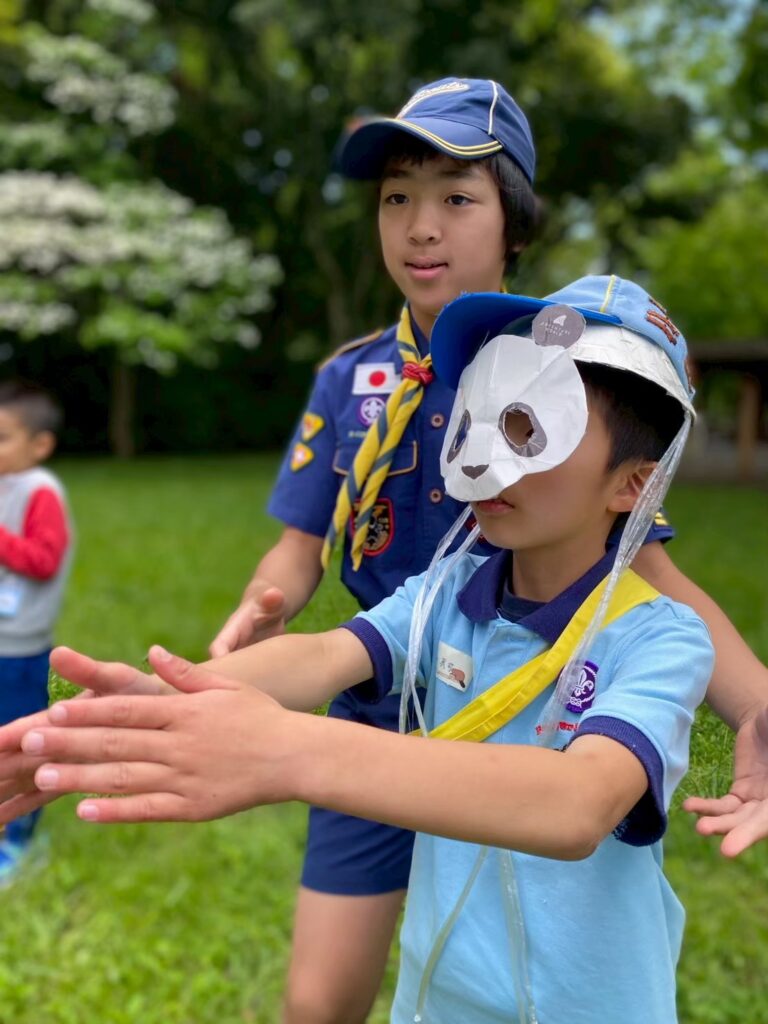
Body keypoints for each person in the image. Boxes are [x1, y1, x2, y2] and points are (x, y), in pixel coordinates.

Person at [207, 77, 768, 1024]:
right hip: (372, 697)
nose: (420, 227)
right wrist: (261, 613)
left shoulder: (579, 370)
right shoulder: (350, 378)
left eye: (456, 197)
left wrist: (760, 707)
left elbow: (649, 575)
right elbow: (298, 546)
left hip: (520, 718)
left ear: (515, 222)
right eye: (397, 198)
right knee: (322, 1000)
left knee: (521, 945)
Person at [7, 275, 718, 1022]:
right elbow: (322, 656)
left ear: (634, 485)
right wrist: (168, 701)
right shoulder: (446, 591)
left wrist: (287, 751)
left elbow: (579, 805)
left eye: (526, 429)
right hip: (437, 1001)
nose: (480, 454)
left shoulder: (658, 636)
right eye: (477, 416)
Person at [0, 380, 72, 884]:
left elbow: (44, 561)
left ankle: (19, 843)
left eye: (2, 437)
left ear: (39, 444)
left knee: (19, 742)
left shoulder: (41, 491)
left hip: (19, 647)